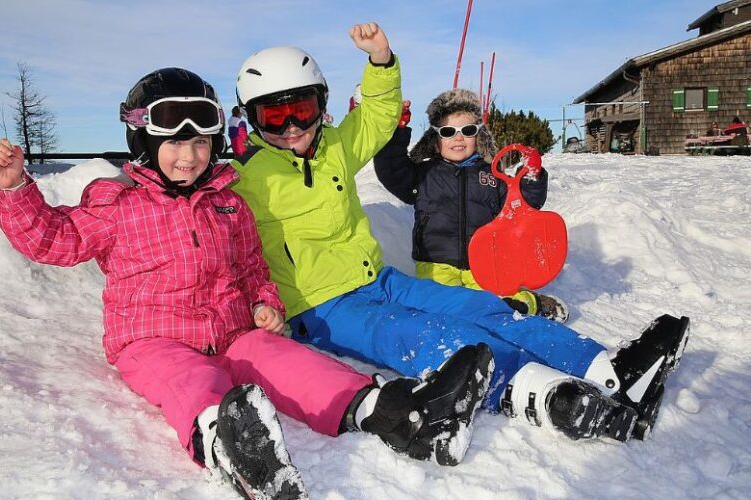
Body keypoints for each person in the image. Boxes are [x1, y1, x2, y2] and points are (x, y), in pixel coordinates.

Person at [0, 67, 496, 499]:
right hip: (153, 339)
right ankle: (231, 443)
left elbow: (253, 265)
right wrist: (16, 192)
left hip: (233, 331)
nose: (189, 154)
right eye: (174, 141)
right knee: (193, 382)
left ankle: (401, 416)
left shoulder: (228, 203)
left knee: (294, 362)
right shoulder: (117, 207)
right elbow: (55, 239)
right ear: (143, 139)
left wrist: (264, 302)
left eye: (201, 141)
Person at [231, 23, 690, 446]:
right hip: (321, 305)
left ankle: (608, 370)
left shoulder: (333, 148)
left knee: (480, 306)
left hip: (378, 279)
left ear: (321, 104)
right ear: (251, 117)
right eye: (274, 115)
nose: (291, 127)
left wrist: (381, 62)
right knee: (421, 335)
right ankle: (550, 396)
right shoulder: (241, 177)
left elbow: (377, 113)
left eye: (302, 109)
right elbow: (201, 221)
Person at [373, 88, 568, 322]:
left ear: (479, 136)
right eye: (448, 131)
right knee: (437, 303)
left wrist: (532, 176)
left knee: (498, 295)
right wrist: (397, 130)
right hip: (437, 264)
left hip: (486, 263)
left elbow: (522, 206)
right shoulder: (424, 174)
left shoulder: (492, 176)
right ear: (435, 140)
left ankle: (526, 304)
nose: (458, 138)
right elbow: (392, 170)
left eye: (467, 131)